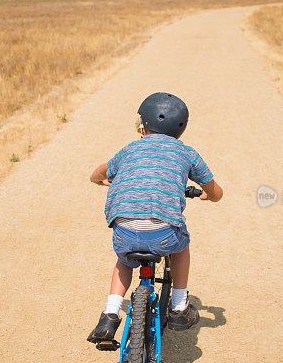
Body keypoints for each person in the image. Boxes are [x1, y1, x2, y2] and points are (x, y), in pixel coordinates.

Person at [87, 92, 223, 345]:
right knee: (181, 246)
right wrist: (209, 195)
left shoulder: (128, 150)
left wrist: (99, 180)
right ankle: (180, 306)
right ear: (181, 128)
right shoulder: (188, 153)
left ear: (142, 124)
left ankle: (110, 313)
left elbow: (98, 172)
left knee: (124, 261)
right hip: (163, 235)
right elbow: (216, 192)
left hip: (124, 231)